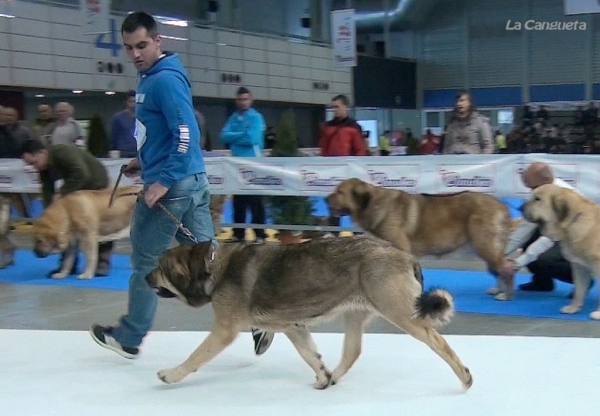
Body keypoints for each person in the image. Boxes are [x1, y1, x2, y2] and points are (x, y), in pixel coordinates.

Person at [87, 12, 268, 359]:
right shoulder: (155, 77)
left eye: (142, 45)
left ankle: (129, 336)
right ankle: (259, 317)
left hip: (174, 188)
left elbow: (187, 134)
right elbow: (167, 134)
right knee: (213, 261)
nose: (136, 53)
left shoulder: (163, 81)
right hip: (191, 182)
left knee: (145, 262)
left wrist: (162, 181)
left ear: (158, 41)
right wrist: (145, 160)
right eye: (129, 48)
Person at [20, 139, 113, 276]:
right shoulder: (44, 169)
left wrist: (62, 192)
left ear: (42, 152)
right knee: (65, 228)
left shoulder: (62, 152)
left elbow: (81, 173)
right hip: (77, 186)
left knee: (100, 223)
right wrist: (50, 214)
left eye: (34, 162)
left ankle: (102, 261)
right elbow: (47, 192)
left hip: (96, 181)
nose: (34, 167)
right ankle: (68, 264)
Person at [497, 162, 591, 296]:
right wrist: (499, 255)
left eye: (534, 187)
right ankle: (542, 282)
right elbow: (525, 228)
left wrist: (517, 264)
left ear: (547, 181)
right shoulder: (541, 193)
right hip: (561, 236)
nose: (531, 191)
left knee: (545, 258)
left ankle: (583, 281)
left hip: (580, 240)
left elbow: (548, 239)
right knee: (530, 238)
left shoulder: (563, 199)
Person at [220, 86, 269, 245]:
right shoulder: (233, 117)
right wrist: (242, 134)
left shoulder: (256, 117)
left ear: (251, 100)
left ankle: (260, 234)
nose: (243, 102)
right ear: (236, 101)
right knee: (238, 202)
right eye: (240, 99)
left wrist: (234, 137)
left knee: (255, 202)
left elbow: (252, 139)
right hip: (236, 166)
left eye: (245, 99)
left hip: (254, 164)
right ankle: (238, 233)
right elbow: (223, 136)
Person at [319, 94, 366, 236]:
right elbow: (324, 149)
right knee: (334, 207)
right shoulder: (328, 127)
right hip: (332, 174)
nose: (335, 110)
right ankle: (334, 239)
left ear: (346, 107)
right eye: (333, 107)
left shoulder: (354, 127)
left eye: (337, 107)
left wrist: (358, 173)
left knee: (354, 208)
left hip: (350, 175)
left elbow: (360, 150)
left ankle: (359, 241)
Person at [442, 90, 494, 154]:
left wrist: (483, 162)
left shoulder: (480, 121)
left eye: (462, 100)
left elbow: (488, 146)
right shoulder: (452, 123)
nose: (459, 104)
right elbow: (446, 147)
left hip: (474, 161)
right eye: (457, 101)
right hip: (453, 161)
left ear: (469, 102)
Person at [109, 90, 138, 157]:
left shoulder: (141, 117)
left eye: (135, 101)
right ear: (126, 102)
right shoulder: (118, 118)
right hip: (124, 152)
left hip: (138, 151)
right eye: (131, 101)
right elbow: (113, 136)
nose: (133, 104)